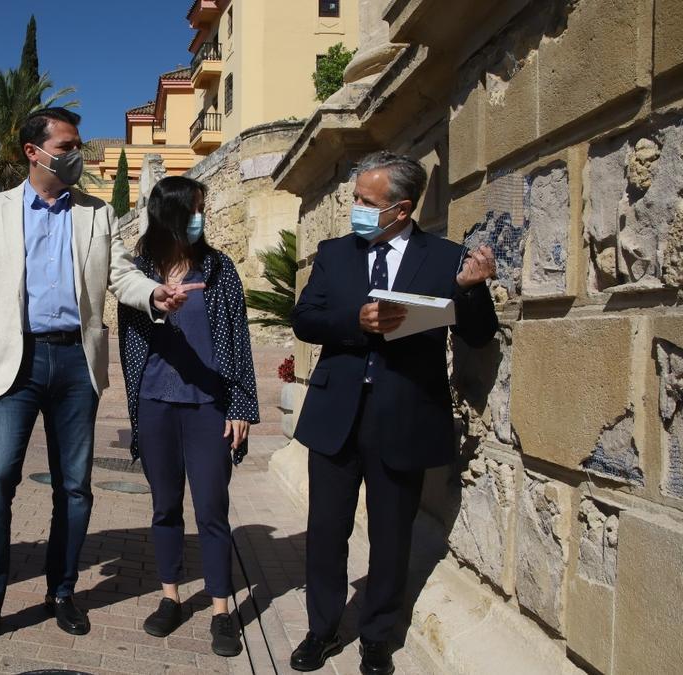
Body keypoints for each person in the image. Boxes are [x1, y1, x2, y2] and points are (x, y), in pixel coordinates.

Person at [0, 107, 198, 651]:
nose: (77, 154)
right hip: (15, 362)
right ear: (35, 152)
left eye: (78, 144)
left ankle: (61, 592)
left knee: (74, 487)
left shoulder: (96, 214)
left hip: (76, 365)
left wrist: (153, 295)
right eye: (67, 144)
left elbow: (121, 274)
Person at [288, 151, 498, 675]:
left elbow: (476, 333)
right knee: (326, 531)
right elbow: (305, 318)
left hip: (403, 416)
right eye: (356, 197)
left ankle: (377, 637)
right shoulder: (334, 254)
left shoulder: (446, 257)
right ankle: (321, 629)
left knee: (391, 537)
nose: (355, 207)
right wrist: (355, 321)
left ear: (400, 209)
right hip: (337, 416)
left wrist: (472, 292)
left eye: (365, 201)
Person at [116, 176, 259, 657]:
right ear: (174, 212)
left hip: (209, 407)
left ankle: (221, 611)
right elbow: (130, 342)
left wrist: (240, 405)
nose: (205, 216)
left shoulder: (220, 269)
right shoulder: (139, 273)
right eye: (198, 208)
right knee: (164, 507)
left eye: (206, 207)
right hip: (156, 403)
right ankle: (170, 597)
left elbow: (239, 340)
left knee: (213, 510)